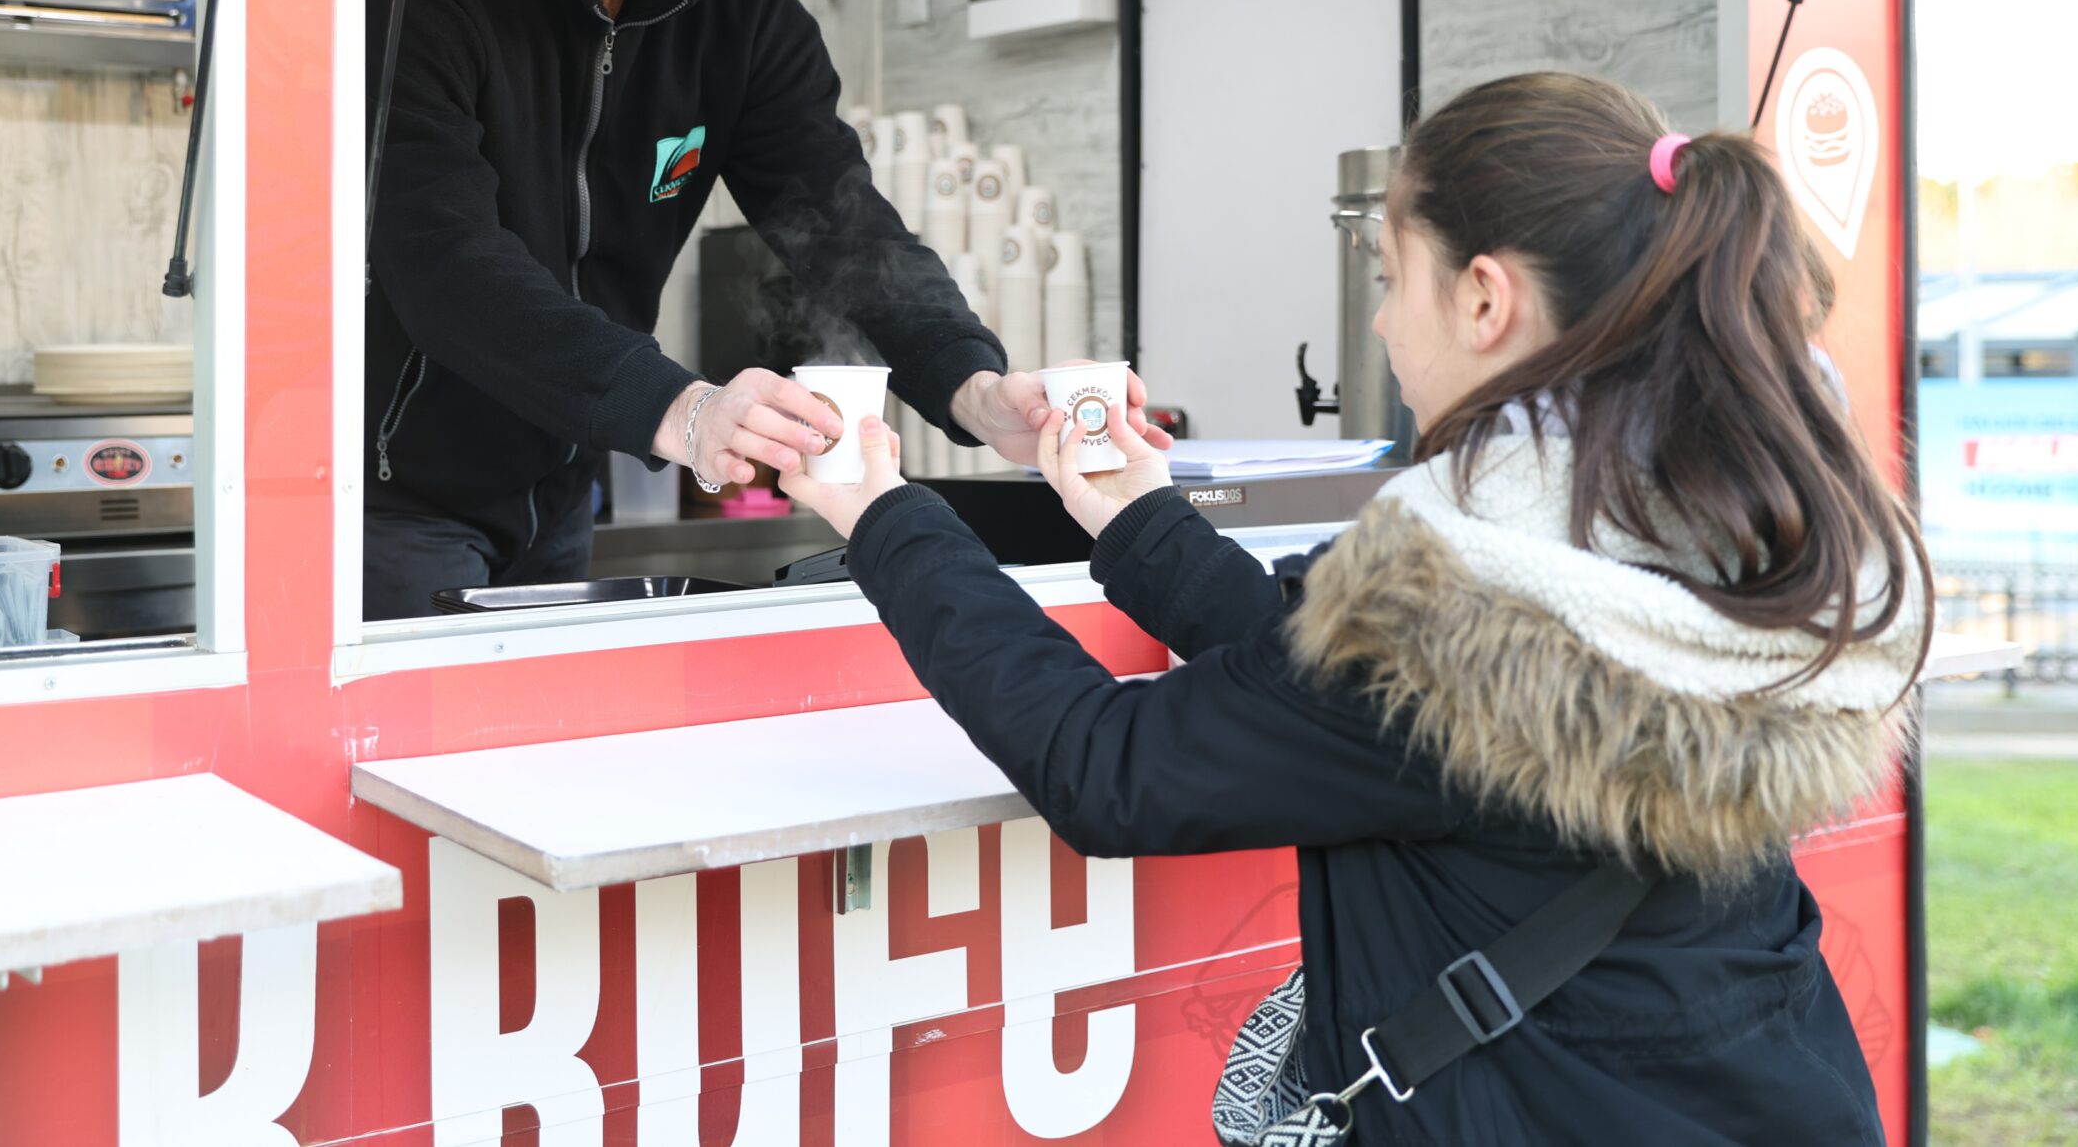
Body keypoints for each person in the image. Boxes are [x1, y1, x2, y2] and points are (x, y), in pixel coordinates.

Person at [782, 72, 1930, 1145]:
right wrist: (1138, 520)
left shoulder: (1473, 603)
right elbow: (1333, 693)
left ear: (1485, 297)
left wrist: (883, 512)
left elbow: (1106, 763)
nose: (1379, 322)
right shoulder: (1710, 522)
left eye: (1391, 275)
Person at [363, 0, 1161, 618]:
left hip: (567, 490)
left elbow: (845, 231)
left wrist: (976, 387)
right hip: (394, 502)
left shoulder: (742, 16)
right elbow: (442, 263)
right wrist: (683, 407)